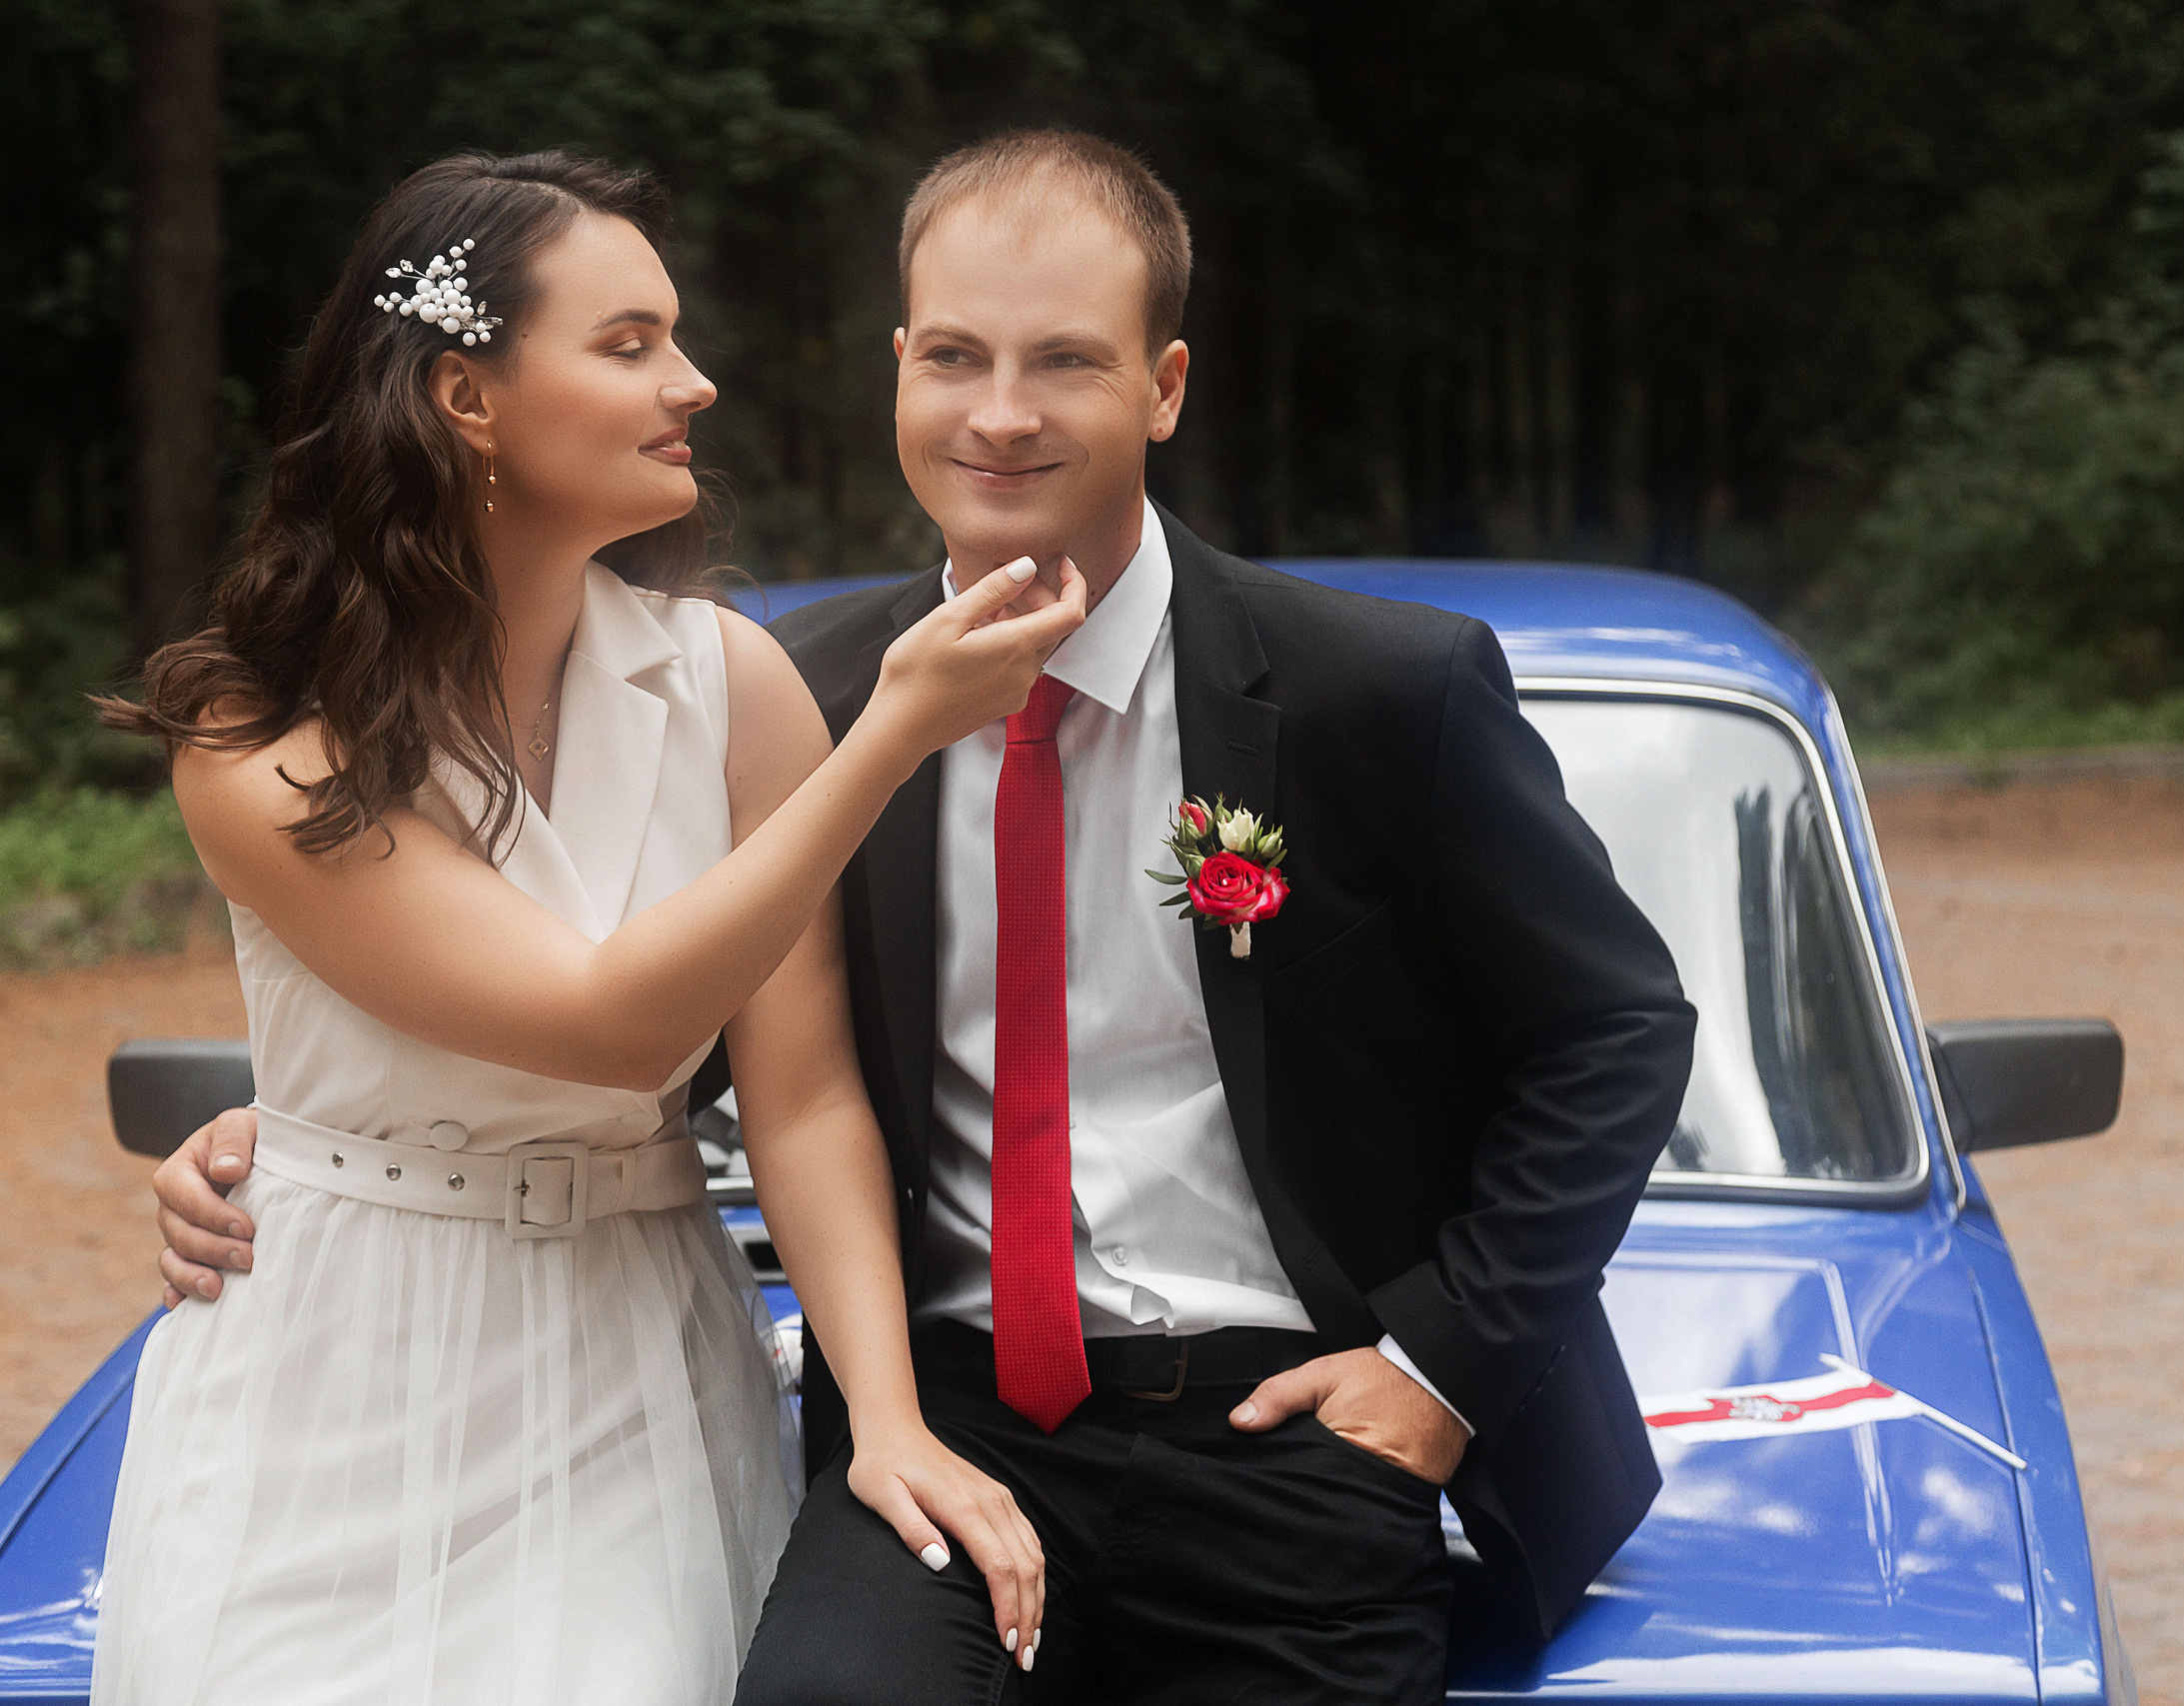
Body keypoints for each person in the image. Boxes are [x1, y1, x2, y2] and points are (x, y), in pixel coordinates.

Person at [158, 132, 1697, 1703]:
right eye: (955, 356)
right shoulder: (810, 695)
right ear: (900, 370)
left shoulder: (1379, 691)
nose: (1002, 411)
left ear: (1164, 386)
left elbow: (1617, 1028)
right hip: (942, 1416)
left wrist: (1439, 1365)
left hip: (1288, 1424)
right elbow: (623, 1022)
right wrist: (290, 1129)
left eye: (1066, 362)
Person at [92, 149, 1080, 1706]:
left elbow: (804, 1093)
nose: (690, 384)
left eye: (675, 338)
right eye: (628, 345)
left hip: (634, 1343)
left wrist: (883, 1416)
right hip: (339, 1360)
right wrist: (888, 736)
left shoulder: (727, 684)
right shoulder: (257, 735)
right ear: (466, 398)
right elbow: (606, 1018)